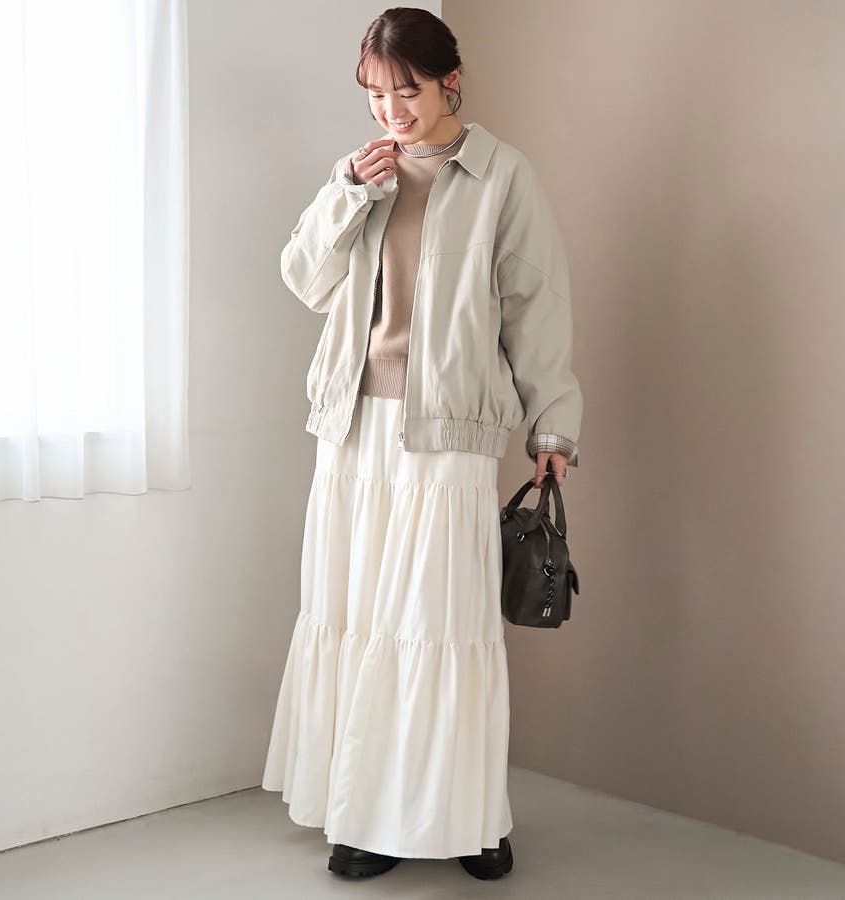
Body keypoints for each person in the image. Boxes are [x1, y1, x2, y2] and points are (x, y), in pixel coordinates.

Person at [261, 6, 582, 881]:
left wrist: (553, 423)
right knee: (362, 613)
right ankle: (362, 817)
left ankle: (467, 819)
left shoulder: (501, 175)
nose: (391, 111)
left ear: (450, 81)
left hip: (450, 426)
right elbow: (305, 280)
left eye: (406, 90)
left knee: (439, 622)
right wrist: (346, 192)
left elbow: (536, 304)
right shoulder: (364, 171)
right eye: (375, 94)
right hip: (355, 424)